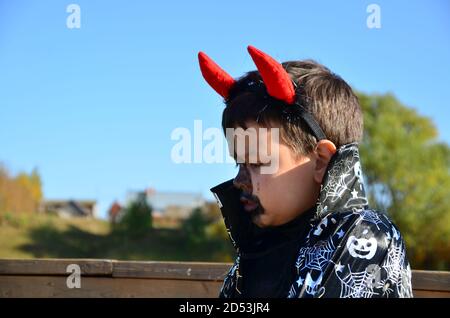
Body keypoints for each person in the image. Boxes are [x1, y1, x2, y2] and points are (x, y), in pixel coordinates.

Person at [198, 45, 413, 298]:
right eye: (239, 164)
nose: (239, 181)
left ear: (321, 161)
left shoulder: (366, 235)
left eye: (256, 163)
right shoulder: (257, 250)